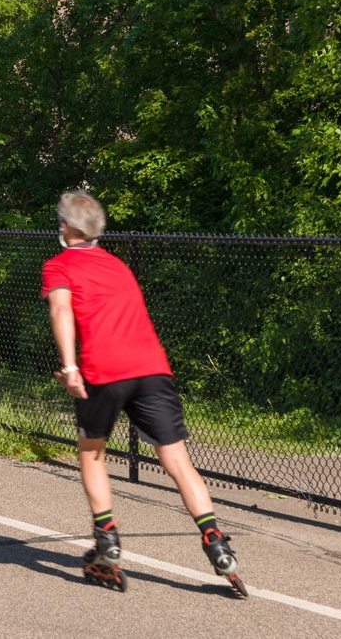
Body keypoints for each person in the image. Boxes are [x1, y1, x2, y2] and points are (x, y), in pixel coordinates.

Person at [41, 190, 245, 594]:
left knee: (92, 451)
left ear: (65, 227)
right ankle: (215, 541)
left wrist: (69, 366)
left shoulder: (59, 265)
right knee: (177, 460)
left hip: (105, 369)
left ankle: (108, 538)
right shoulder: (118, 266)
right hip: (152, 368)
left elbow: (61, 310)